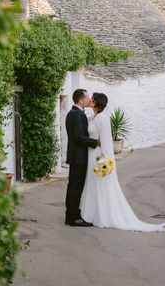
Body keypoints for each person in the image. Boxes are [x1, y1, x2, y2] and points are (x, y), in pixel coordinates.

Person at [80, 92, 165, 232]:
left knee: (101, 184)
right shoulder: (93, 117)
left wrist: (105, 160)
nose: (90, 100)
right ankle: (92, 214)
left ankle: (103, 215)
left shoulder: (102, 119)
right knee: (92, 183)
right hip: (91, 154)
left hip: (98, 155)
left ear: (97, 103)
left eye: (93, 99)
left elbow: (106, 142)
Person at [64, 89, 99, 226]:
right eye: (87, 97)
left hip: (74, 156)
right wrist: (95, 142)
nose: (89, 99)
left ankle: (70, 216)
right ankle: (74, 218)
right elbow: (79, 137)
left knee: (72, 186)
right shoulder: (77, 115)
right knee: (76, 187)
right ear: (80, 100)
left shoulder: (72, 113)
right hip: (79, 157)